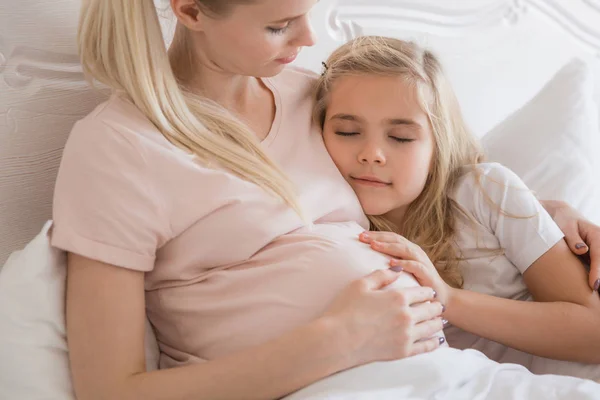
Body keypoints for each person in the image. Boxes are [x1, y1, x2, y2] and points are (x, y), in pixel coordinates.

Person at [51, 1, 600, 398]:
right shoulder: (117, 148)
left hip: (438, 367)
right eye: (278, 24)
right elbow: (110, 390)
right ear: (191, 11)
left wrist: (552, 216)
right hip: (330, 382)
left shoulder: (312, 96)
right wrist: (337, 341)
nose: (309, 39)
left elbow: (440, 170)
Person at [315, 35, 600, 380]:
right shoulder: (326, 230)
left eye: (401, 137)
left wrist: (447, 297)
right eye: (347, 131)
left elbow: (592, 333)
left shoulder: (485, 192)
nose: (372, 153)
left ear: (438, 146)